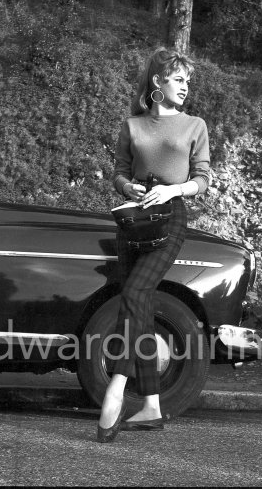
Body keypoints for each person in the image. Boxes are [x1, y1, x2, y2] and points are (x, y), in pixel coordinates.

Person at [97, 46, 210, 443]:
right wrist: (128, 186)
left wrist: (171, 190)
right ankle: (151, 406)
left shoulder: (194, 125)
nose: (185, 87)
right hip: (134, 218)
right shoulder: (133, 126)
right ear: (158, 82)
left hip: (170, 216)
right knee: (138, 306)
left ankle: (115, 387)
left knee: (136, 291)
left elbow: (203, 179)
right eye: (179, 79)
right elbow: (120, 172)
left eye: (188, 81)